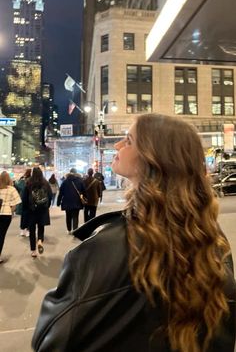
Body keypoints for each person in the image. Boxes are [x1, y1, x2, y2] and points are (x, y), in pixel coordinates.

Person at [32, 114, 236, 352]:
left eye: (128, 140)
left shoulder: (100, 249)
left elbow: (49, 340)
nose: (117, 145)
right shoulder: (212, 239)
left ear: (152, 159)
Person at [22, 167, 52, 258]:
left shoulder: (28, 183)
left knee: (32, 231)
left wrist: (25, 209)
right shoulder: (45, 183)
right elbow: (50, 196)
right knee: (41, 227)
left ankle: (33, 251)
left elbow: (24, 198)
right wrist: (47, 206)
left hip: (31, 210)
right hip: (42, 210)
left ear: (33, 173)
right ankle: (40, 240)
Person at [0, 171, 21, 263]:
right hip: (6, 215)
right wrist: (10, 211)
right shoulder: (11, 189)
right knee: (1, 235)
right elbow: (16, 203)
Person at [57, 168, 86, 234]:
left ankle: (69, 230)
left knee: (68, 216)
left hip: (67, 201)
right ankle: (75, 230)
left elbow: (61, 192)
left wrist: (58, 202)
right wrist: (85, 198)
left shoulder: (65, 181)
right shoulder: (80, 181)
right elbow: (84, 190)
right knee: (75, 216)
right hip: (77, 201)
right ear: (76, 173)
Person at [14, 168, 31, 236]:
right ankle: (27, 230)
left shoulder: (22, 180)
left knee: (23, 216)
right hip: (30, 201)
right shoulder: (32, 180)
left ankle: (22, 229)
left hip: (23, 200)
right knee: (30, 216)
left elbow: (18, 187)